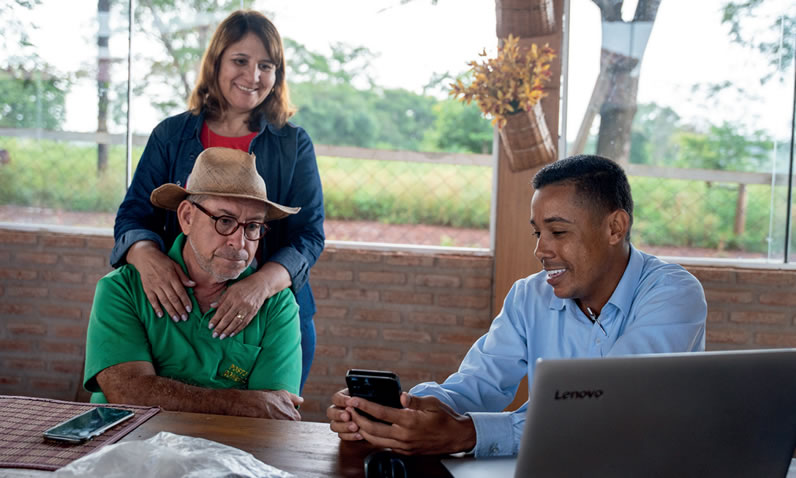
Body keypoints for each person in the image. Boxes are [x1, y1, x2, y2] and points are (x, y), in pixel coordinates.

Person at [327, 154, 707, 456]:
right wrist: (401, 411)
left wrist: (469, 434)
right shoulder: (530, 295)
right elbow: (478, 384)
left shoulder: (673, 295)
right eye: (537, 232)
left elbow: (607, 409)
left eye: (558, 232)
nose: (540, 250)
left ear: (615, 228)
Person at [111, 10, 324, 392]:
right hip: (179, 311)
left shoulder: (293, 144)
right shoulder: (171, 135)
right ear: (216, 63)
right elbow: (133, 215)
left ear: (278, 75)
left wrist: (259, 285)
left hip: (270, 312)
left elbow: (309, 235)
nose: (253, 76)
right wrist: (149, 260)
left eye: (266, 65)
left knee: (265, 425)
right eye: (240, 61)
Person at [85, 147, 303, 420]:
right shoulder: (122, 290)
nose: (240, 242)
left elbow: (273, 413)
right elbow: (128, 393)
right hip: (128, 448)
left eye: (252, 227)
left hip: (231, 454)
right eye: (225, 221)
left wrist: (166, 396)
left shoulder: (276, 305)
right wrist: (239, 403)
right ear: (187, 217)